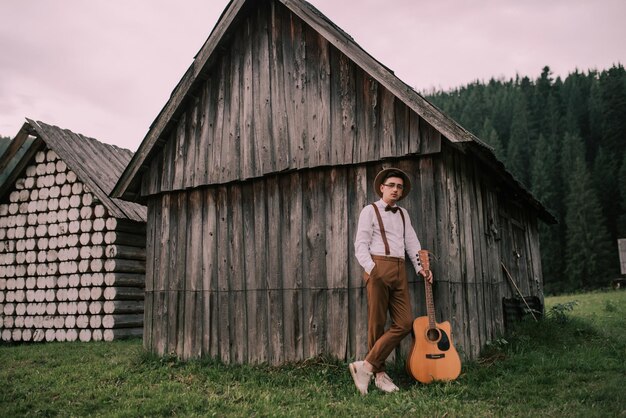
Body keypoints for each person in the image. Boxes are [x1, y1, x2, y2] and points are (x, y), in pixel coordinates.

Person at [350, 167, 433, 394]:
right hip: (378, 267)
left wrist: (421, 268)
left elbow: (412, 244)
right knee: (376, 323)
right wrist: (372, 269)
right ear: (382, 188)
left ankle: (365, 366)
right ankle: (379, 374)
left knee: (405, 323)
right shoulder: (369, 211)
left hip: (399, 270)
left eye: (400, 187)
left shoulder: (404, 214)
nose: (396, 190)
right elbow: (360, 245)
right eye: (392, 186)